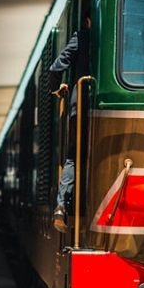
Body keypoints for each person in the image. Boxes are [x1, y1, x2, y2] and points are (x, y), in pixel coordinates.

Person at [49, 12, 91, 232]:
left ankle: (61, 206)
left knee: (73, 158)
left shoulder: (83, 36)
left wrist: (57, 90)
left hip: (81, 107)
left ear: (87, 19)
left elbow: (56, 67)